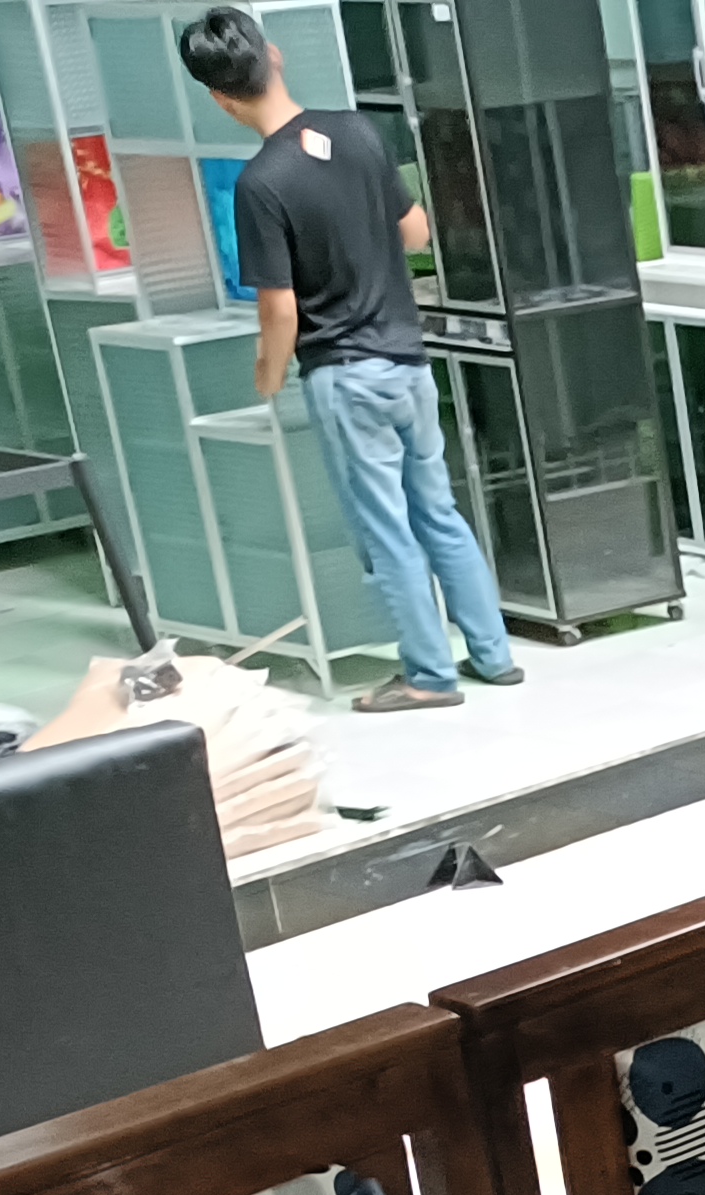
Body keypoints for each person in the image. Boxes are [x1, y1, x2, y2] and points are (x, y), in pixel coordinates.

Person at [178, 6, 520, 712]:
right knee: (440, 513)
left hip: (345, 374)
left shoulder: (261, 184)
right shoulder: (358, 132)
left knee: (386, 531)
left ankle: (429, 677)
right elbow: (417, 232)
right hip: (408, 362)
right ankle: (494, 655)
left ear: (218, 98)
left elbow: (279, 310)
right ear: (274, 55)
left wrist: (268, 375)